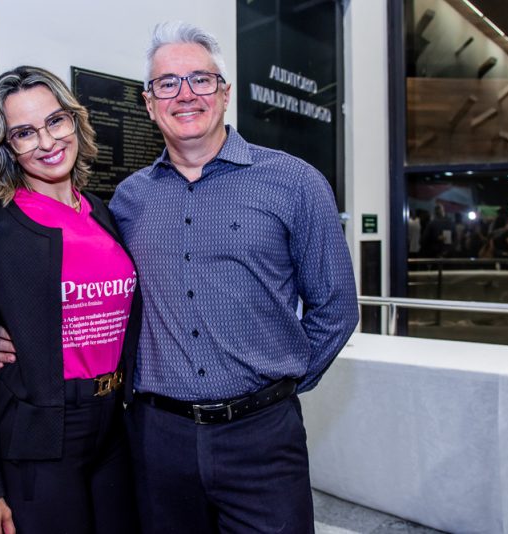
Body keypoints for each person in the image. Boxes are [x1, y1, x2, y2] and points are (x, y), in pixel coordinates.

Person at [109, 22, 357, 533]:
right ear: (149, 103)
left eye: (200, 79)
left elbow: (336, 307)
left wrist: (277, 385)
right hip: (159, 439)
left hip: (263, 438)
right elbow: (104, 301)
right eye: (167, 83)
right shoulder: (128, 200)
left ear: (224, 94)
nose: (185, 95)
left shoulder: (295, 182)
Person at [0, 66, 140, 534]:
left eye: (56, 121)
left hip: (114, 425)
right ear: (5, 145)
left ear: (74, 121)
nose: (47, 142)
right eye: (24, 133)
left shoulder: (105, 213)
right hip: (38, 437)